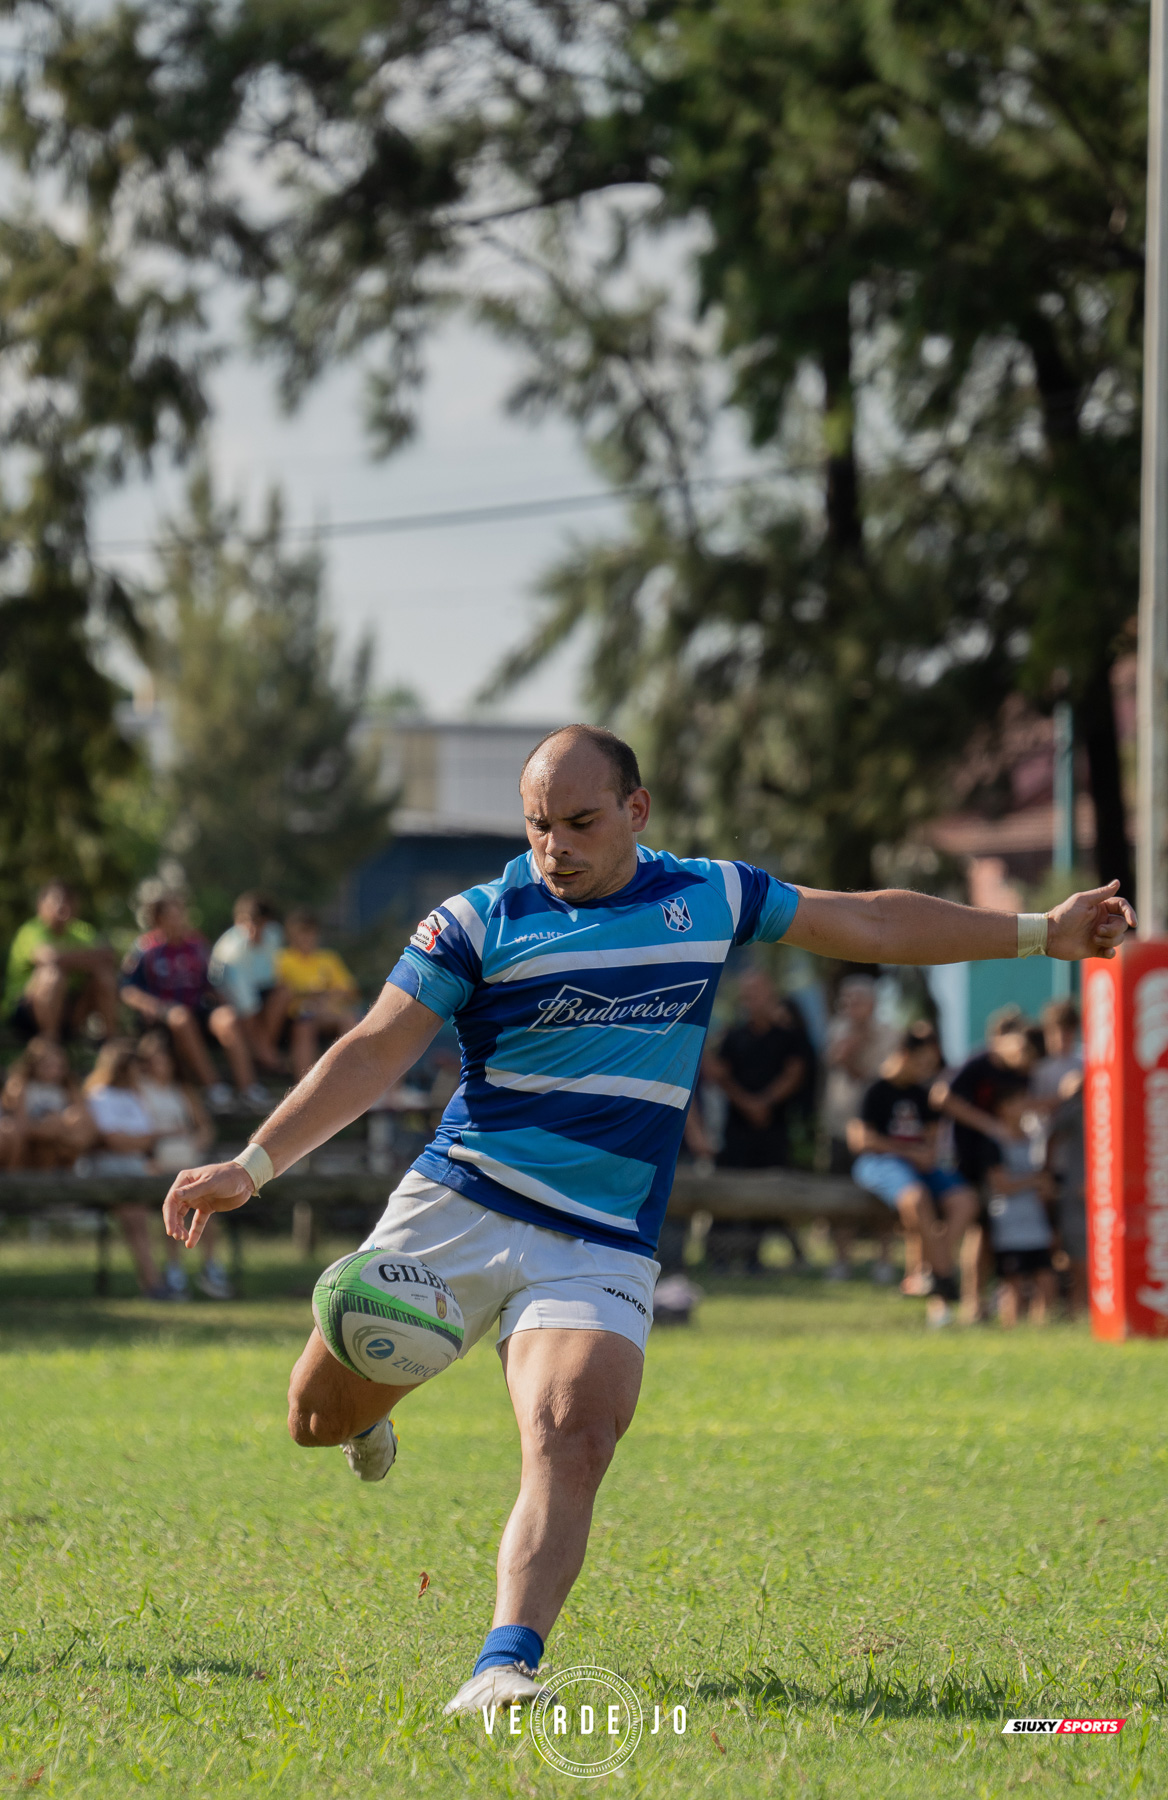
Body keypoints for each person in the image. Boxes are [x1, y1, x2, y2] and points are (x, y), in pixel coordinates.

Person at [160, 724, 1135, 1718]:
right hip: (463, 1201)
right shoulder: (477, 920)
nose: (557, 849)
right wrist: (253, 1164)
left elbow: (874, 925)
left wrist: (1038, 932)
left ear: (636, 811)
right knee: (312, 1421)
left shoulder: (707, 896)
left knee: (572, 1434)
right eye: (539, 827)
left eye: (580, 823)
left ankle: (503, 1665)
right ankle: (379, 1404)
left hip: (599, 1236)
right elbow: (374, 1050)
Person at [848, 1024, 979, 1326]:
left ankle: (928, 1271)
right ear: (905, 1055)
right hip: (880, 1163)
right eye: (923, 1063)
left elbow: (932, 1141)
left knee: (965, 1201)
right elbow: (861, 1140)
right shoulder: (875, 1088)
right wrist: (907, 1152)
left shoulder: (923, 1094)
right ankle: (944, 1277)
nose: (927, 1070)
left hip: (920, 1165)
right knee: (917, 1198)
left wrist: (925, 1155)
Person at [704, 970, 809, 1272]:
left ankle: (754, 1258)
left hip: (773, 1130)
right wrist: (747, 1103)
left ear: (770, 995)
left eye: (758, 993)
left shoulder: (789, 1037)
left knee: (768, 1193)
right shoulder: (733, 1036)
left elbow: (795, 1073)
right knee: (726, 1192)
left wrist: (765, 1102)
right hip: (736, 1130)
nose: (752, 1000)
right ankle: (719, 1257)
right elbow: (719, 1074)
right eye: (747, 995)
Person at [120, 893, 265, 1109]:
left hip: (199, 1008)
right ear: (158, 919)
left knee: (227, 1018)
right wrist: (154, 1007)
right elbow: (127, 989)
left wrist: (226, 1002)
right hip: (164, 1017)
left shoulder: (197, 945)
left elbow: (211, 983)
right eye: (171, 915)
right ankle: (214, 1087)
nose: (179, 919)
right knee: (181, 1018)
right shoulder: (145, 949)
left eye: (181, 913)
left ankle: (248, 1088)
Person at [136, 1031, 232, 1300]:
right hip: (156, 1164)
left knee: (208, 1207)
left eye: (165, 1059)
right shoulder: (139, 1090)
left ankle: (211, 1267)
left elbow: (205, 1128)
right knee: (173, 1211)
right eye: (155, 1060)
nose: (162, 1065)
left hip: (186, 1161)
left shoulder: (183, 1091)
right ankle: (174, 1270)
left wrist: (192, 1144)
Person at [820, 975, 899, 1281]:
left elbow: (881, 1080)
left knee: (882, 1194)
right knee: (839, 1194)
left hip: (875, 1130)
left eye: (857, 1000)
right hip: (839, 1126)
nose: (850, 1006)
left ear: (873, 1003)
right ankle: (841, 1260)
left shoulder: (890, 1034)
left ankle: (885, 1261)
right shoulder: (836, 1030)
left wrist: (855, 1052)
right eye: (846, 1001)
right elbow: (830, 1064)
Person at [84, 1042, 168, 1299]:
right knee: (135, 1217)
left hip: (135, 1166)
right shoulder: (98, 1096)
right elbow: (111, 1139)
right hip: (108, 1168)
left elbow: (149, 1137)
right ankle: (153, 1283)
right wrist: (136, 1140)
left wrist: (132, 1140)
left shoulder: (136, 1096)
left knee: (140, 1218)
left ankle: (156, 1281)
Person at [4, 881, 119, 1043]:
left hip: (73, 1010)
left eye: (69, 900)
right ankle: (50, 1041)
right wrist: (88, 958)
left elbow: (108, 956)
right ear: (41, 905)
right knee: (52, 974)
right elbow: (49, 958)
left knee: (104, 974)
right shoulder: (31, 931)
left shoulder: (82, 930)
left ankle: (110, 1040)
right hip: (27, 1012)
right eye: (57, 900)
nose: (63, 906)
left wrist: (64, 957)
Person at [985, 1080, 1057, 1327]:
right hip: (1009, 1223)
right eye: (1017, 1102)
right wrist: (1035, 1181)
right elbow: (1000, 1185)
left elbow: (1046, 1182)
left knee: (1046, 1278)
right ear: (1003, 1107)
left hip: (1036, 1222)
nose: (1023, 1106)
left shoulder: (1035, 1138)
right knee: (1013, 1282)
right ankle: (1011, 1329)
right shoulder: (994, 1141)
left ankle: (1040, 1331)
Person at [209, 894, 287, 1085]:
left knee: (285, 992)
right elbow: (248, 1010)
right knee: (237, 1019)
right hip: (226, 997)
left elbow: (275, 978)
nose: (253, 930)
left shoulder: (275, 935)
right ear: (237, 922)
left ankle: (263, 1052)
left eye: (259, 924)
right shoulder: (232, 955)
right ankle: (263, 1056)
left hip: (259, 990)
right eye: (247, 923)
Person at [275, 909, 360, 1080]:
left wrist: (328, 995)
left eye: (310, 933)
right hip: (295, 1016)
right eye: (302, 933)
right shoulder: (283, 959)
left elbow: (350, 991)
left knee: (350, 1019)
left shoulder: (328, 958)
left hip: (326, 1013)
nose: (307, 938)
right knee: (305, 1024)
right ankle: (304, 1084)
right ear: (292, 936)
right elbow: (281, 993)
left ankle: (348, 1077)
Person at [1, 1038, 93, 1169]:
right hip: (30, 1137)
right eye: (48, 1066)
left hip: (58, 1136)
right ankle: (14, 1178)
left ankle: (67, 1175)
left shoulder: (67, 1088)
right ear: (33, 1064)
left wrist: (60, 1125)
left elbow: (83, 1118)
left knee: (76, 1125)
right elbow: (19, 1124)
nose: (54, 1071)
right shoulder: (20, 1086)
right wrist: (46, 1128)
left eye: (58, 1066)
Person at [1045, 1068, 1087, 1317]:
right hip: (1076, 1192)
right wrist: (1048, 1175)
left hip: (1101, 1195)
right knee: (1078, 1262)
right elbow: (1053, 1138)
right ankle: (1077, 1314)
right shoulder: (1075, 1110)